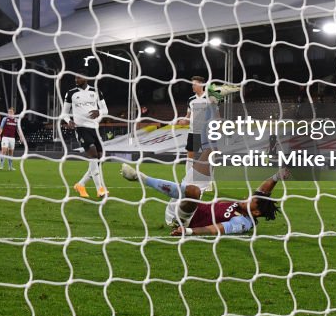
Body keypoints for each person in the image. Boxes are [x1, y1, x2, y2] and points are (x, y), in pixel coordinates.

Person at [120, 163, 284, 236]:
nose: (246, 198)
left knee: (194, 191)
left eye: (250, 200)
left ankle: (140, 177)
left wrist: (189, 231)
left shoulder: (242, 222)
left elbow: (215, 229)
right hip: (186, 202)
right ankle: (212, 102)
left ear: (255, 212)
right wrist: (278, 175)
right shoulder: (248, 207)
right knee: (208, 154)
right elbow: (264, 190)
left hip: (184, 219)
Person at [62, 72, 109, 198]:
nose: (76, 79)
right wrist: (68, 121)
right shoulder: (71, 93)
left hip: (95, 128)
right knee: (93, 154)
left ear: (86, 78)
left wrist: (99, 111)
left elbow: (105, 110)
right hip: (81, 128)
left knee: (99, 159)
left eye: (78, 77)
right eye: (75, 77)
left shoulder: (96, 92)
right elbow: (64, 113)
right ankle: (100, 189)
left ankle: (80, 184)